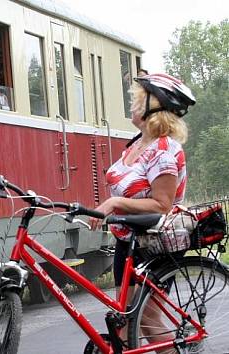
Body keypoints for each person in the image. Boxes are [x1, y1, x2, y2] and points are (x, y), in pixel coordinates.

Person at [90, 73, 196, 346]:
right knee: (123, 325)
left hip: (154, 243)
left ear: (154, 107)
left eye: (138, 100)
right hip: (128, 241)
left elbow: (162, 204)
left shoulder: (163, 149)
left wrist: (114, 203)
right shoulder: (136, 145)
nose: (133, 105)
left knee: (146, 320)